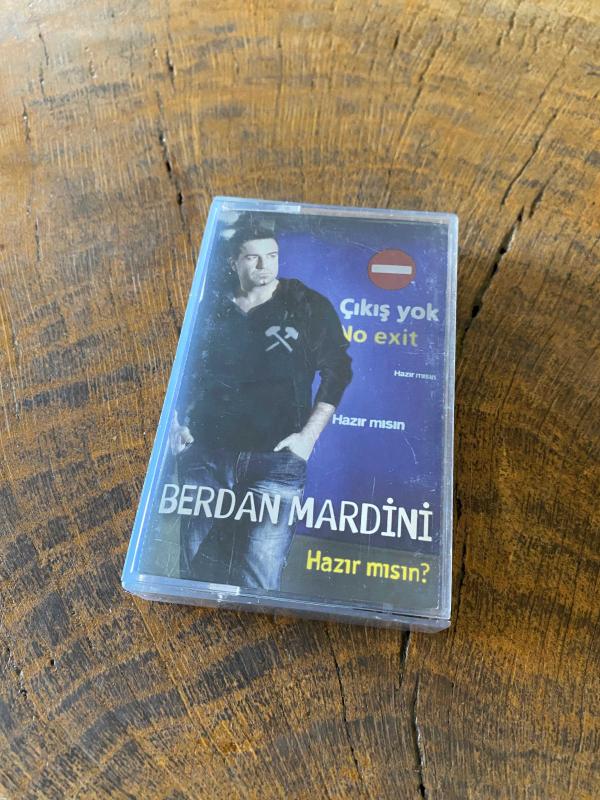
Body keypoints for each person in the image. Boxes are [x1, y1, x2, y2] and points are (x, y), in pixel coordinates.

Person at [169, 223, 352, 590]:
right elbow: (188, 369)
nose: (264, 266)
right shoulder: (212, 307)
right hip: (207, 457)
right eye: (253, 258)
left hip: (275, 463)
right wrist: (175, 423)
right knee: (194, 575)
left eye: (272, 256)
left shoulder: (306, 305)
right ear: (234, 262)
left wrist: (308, 437)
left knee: (259, 582)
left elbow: (338, 371)